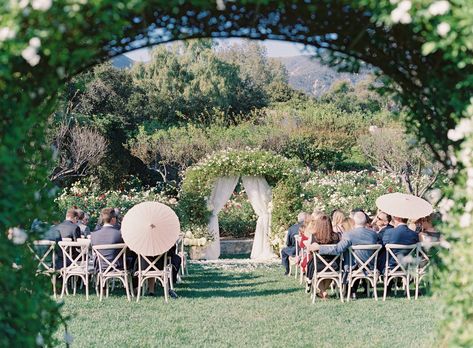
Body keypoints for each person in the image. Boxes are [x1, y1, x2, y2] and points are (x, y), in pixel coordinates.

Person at [311, 211, 380, 298]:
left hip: (352, 267)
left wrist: (320, 248)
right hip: (370, 266)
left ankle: (349, 291)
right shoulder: (373, 234)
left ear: (353, 221)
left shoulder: (348, 235)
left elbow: (337, 249)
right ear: (366, 221)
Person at [304, 214, 340, 298]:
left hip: (318, 266)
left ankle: (323, 292)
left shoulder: (315, 237)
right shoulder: (336, 237)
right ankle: (323, 292)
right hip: (334, 265)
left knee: (313, 266)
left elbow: (310, 251)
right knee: (329, 273)